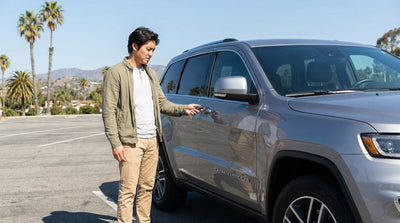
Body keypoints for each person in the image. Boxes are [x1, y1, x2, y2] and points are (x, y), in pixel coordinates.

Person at [102, 27, 201, 223]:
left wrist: (184, 109)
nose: (151, 54)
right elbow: (109, 110)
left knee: (147, 188)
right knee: (128, 190)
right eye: (148, 49)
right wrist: (115, 142)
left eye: (153, 50)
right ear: (134, 46)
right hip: (130, 142)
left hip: (152, 139)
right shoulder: (116, 73)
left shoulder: (151, 75)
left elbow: (162, 103)